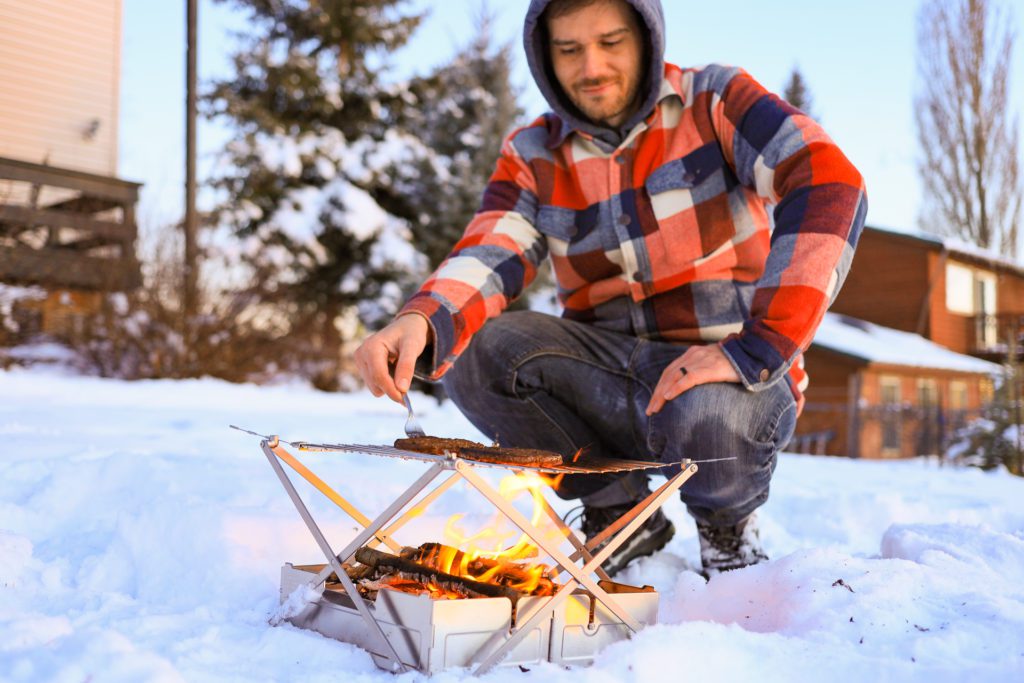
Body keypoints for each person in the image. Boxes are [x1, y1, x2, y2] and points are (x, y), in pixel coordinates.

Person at [354, 0, 866, 577]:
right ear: (544, 56)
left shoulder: (715, 100)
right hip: (604, 377)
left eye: (611, 42)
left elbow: (827, 179)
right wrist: (422, 319)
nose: (591, 67)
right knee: (477, 350)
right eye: (568, 49)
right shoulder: (533, 153)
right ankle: (620, 513)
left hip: (723, 380)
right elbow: (490, 249)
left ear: (648, 39)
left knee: (712, 408)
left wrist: (758, 347)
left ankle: (727, 532)